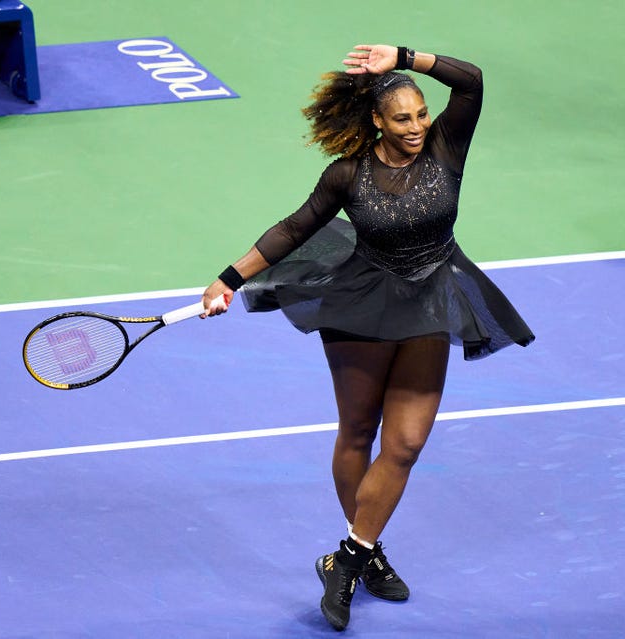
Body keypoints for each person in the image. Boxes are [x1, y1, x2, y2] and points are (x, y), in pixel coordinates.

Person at [199, 43, 534, 631]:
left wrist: (404, 56)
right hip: (363, 304)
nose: (416, 127)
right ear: (377, 121)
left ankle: (347, 558)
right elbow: (295, 228)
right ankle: (370, 553)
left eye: (421, 114)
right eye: (402, 118)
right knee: (359, 430)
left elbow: (473, 80)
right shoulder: (347, 174)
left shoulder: (447, 147)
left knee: (404, 444)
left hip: (431, 296)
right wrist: (228, 280)